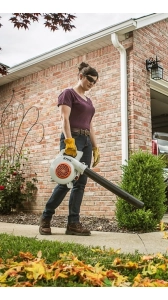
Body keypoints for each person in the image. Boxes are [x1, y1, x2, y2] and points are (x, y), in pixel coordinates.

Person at [39, 62, 100, 236]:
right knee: (66, 181)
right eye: (90, 80)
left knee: (80, 184)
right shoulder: (68, 93)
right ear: (81, 76)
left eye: (95, 82)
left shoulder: (89, 101)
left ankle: (73, 223)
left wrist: (95, 147)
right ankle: (46, 217)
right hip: (72, 139)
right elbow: (64, 119)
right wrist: (69, 142)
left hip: (86, 141)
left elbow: (90, 125)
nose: (92, 84)